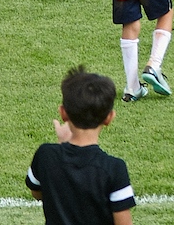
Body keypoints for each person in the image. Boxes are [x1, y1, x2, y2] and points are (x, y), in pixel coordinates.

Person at [26, 66, 135, 225]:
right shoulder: (114, 168)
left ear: (63, 113)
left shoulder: (46, 155)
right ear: (109, 118)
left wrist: (61, 144)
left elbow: (37, 193)